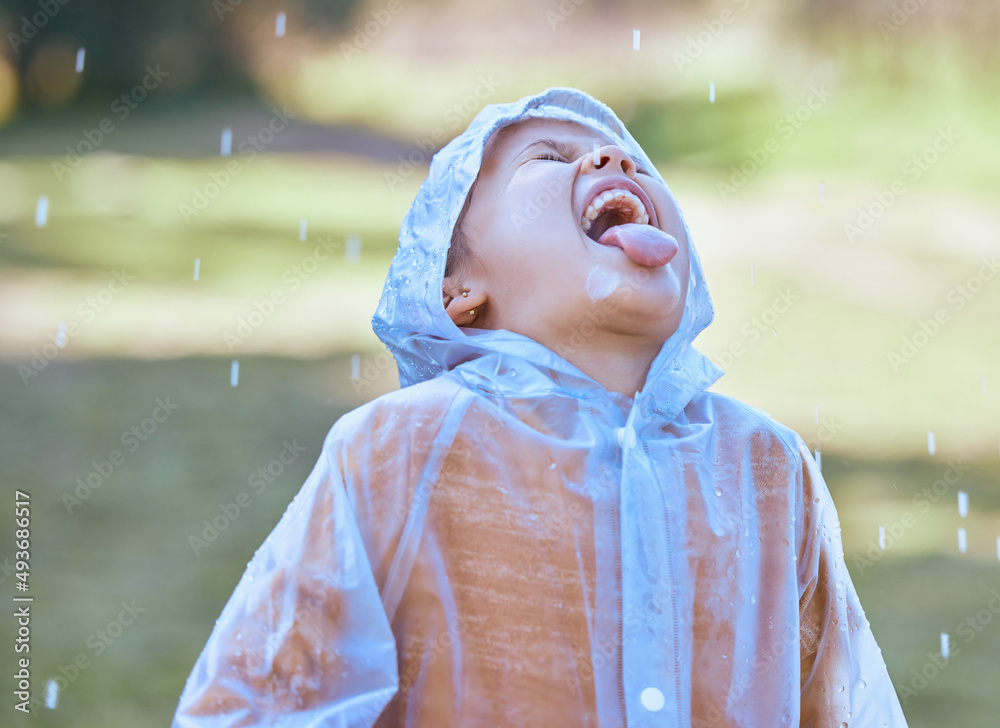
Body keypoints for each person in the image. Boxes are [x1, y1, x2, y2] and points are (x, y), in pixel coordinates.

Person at [171, 87, 909, 727]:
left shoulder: (766, 468)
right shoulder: (402, 451)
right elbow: (257, 702)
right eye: (549, 158)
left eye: (635, 161)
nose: (613, 162)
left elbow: (844, 707)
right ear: (455, 291)